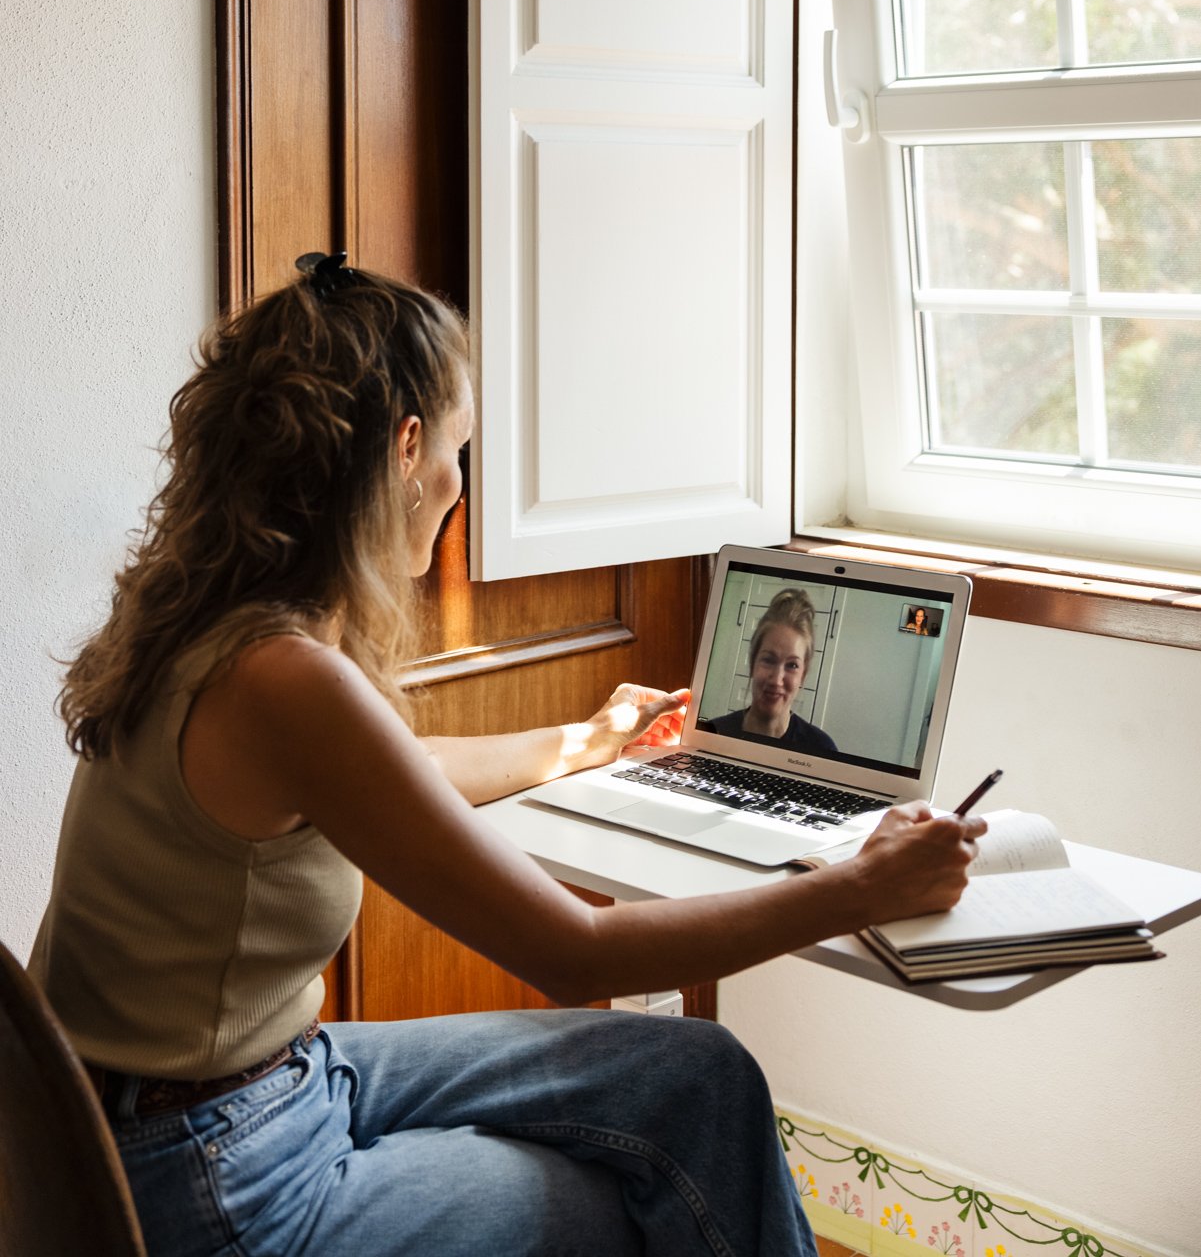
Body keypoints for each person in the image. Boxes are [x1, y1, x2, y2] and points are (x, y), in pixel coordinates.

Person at [30, 255, 984, 1257]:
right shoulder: (284, 677)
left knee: (699, 1076)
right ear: (405, 449)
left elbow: (400, 771)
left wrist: (584, 743)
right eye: (459, 450)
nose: (459, 484)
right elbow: (572, 953)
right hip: (217, 1168)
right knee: (618, 1203)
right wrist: (859, 888)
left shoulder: (216, 622)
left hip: (222, 1096)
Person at [701, 588, 838, 755]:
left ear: (803, 674)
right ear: (753, 663)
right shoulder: (712, 735)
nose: (776, 680)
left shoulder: (822, 750)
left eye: (792, 665)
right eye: (768, 660)